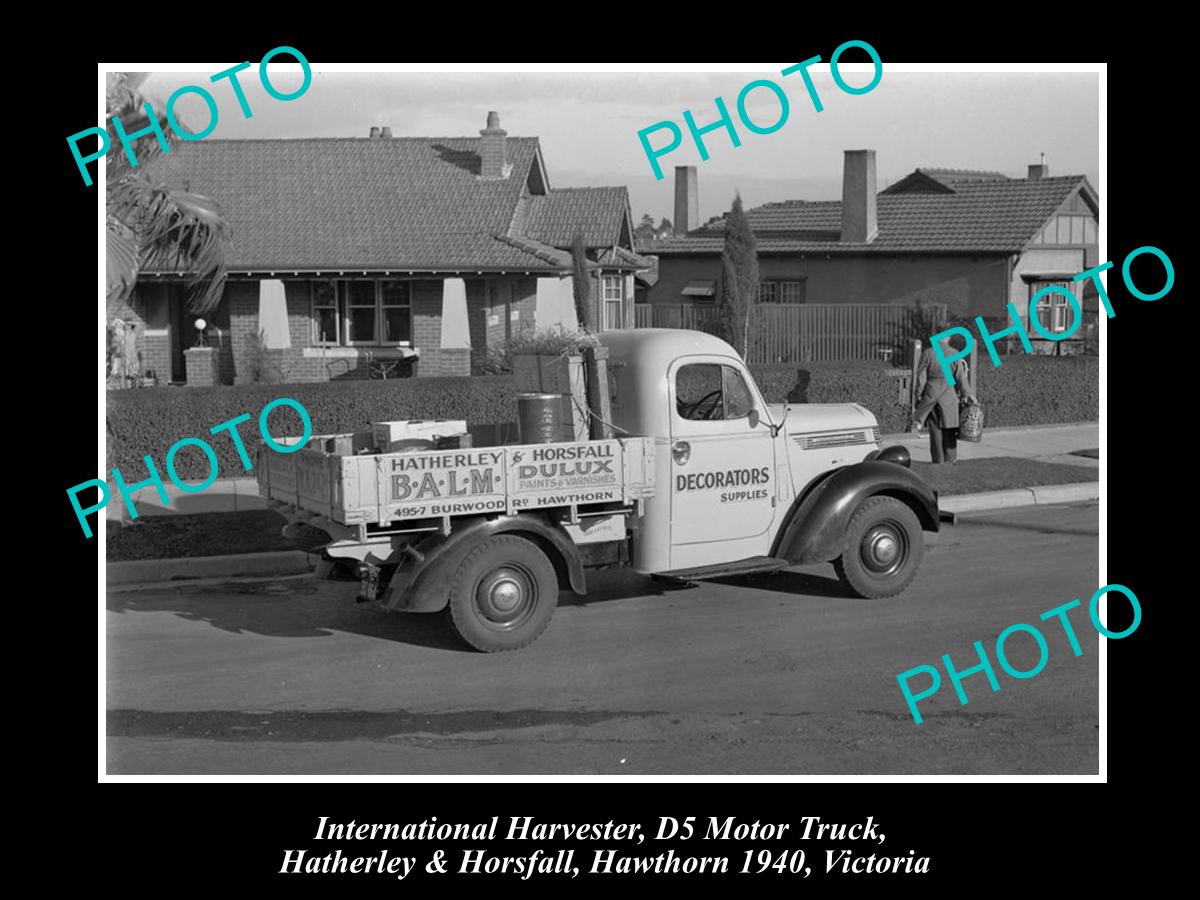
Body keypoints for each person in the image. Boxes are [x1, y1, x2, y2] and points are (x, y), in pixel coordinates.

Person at [912, 335, 977, 464]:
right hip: (949, 395)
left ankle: (938, 461)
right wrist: (968, 394)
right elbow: (960, 377)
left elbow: (921, 378)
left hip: (931, 395)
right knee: (950, 429)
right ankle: (951, 460)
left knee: (935, 430)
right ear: (948, 338)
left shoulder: (928, 353)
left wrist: (918, 395)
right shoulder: (954, 353)